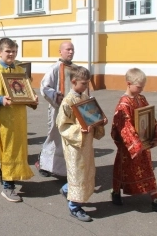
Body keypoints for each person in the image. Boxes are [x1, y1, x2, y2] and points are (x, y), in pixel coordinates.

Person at [0, 38, 38, 202]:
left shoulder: (20, 70)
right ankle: (8, 187)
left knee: (17, 148)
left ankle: (0, 166)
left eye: (14, 51)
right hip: (3, 118)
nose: (11, 54)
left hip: (19, 116)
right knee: (8, 149)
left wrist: (32, 99)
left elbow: (26, 90)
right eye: (8, 51)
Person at [110, 68, 157, 212]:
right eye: (139, 87)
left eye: (142, 87)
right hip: (129, 146)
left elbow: (150, 117)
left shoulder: (141, 99)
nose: (141, 89)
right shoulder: (123, 104)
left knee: (148, 169)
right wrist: (136, 144)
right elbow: (124, 127)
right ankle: (116, 192)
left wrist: (154, 135)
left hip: (143, 143)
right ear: (128, 83)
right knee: (122, 169)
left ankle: (156, 199)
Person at [57, 66, 106, 222]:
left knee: (84, 173)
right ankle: (74, 207)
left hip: (86, 145)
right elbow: (63, 125)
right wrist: (80, 129)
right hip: (75, 146)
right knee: (77, 174)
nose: (87, 86)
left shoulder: (85, 96)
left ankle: (66, 189)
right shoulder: (67, 101)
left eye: (87, 83)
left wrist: (100, 120)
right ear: (74, 81)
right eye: (84, 83)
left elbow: (92, 115)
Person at [37, 41, 76, 177]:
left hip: (73, 111)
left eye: (72, 50)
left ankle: (63, 169)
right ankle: (45, 165)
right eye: (68, 50)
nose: (70, 52)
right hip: (57, 109)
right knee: (54, 135)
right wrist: (55, 96)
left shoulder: (76, 69)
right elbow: (45, 87)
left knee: (67, 138)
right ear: (60, 52)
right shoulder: (54, 68)